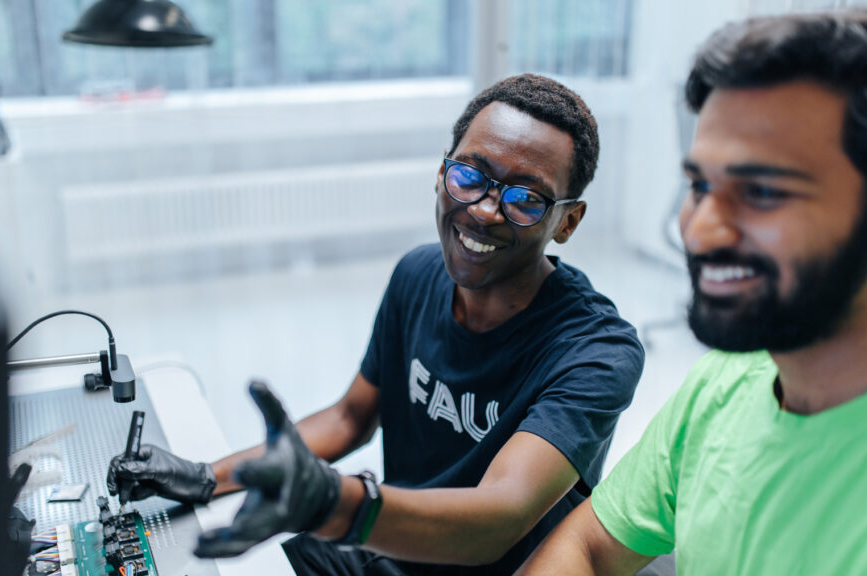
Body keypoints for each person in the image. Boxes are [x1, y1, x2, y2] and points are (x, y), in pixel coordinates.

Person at [107, 74, 645, 574]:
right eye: (469, 176)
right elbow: (349, 417)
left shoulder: (596, 351)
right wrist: (205, 478)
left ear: (567, 222)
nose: (484, 210)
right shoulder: (417, 274)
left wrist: (340, 507)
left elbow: (498, 518)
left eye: (526, 198)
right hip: (392, 542)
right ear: (441, 175)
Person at [517, 9, 867, 576]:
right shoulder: (729, 381)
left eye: (762, 192)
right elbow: (586, 546)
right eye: (700, 186)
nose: (699, 229)